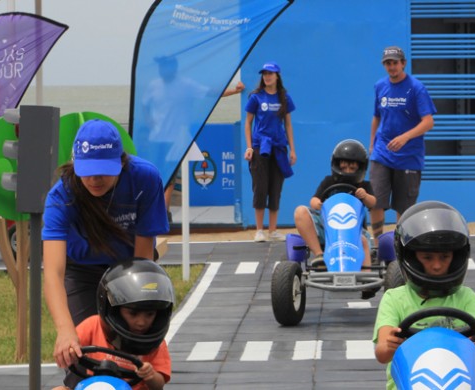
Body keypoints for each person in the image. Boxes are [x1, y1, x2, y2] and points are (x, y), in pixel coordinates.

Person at [43, 119, 170, 370]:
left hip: (130, 268)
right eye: (87, 170)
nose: (94, 178)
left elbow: (143, 257)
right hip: (82, 269)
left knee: (133, 348)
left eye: (103, 170)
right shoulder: (61, 196)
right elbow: (54, 273)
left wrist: (139, 302)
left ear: (121, 162)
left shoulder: (144, 179)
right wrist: (65, 330)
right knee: (82, 352)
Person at [374, 201, 475, 389]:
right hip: (413, 383)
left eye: (445, 257)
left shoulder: (465, 297)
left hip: (459, 380)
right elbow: (382, 353)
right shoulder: (394, 299)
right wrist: (390, 344)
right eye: (428, 258)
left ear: (456, 257)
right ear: (410, 258)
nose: (437, 266)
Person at [141, 54, 245, 222]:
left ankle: (163, 214)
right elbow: (145, 104)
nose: (162, 70)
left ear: (173, 67)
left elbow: (210, 92)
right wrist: (148, 121)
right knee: (155, 177)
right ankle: (155, 212)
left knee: (169, 178)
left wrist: (234, 90)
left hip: (175, 139)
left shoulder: (185, 84)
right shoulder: (154, 85)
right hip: (156, 139)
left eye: (165, 66)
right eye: (160, 67)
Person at [53, 259, 174, 390]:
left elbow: (159, 385)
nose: (141, 322)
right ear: (115, 311)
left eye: (149, 314)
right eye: (133, 314)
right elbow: (71, 348)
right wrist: (70, 353)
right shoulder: (93, 325)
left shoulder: (156, 344)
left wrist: (150, 375)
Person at [369, 46, 436, 240]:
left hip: (408, 157)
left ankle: (400, 243)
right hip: (382, 153)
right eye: (388, 63)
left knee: (404, 206)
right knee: (375, 201)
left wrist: (405, 137)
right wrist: (372, 143)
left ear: (403, 63)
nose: (392, 67)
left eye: (395, 63)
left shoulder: (416, 88)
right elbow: (376, 117)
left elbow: (428, 122)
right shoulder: (380, 86)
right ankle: (378, 242)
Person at [294, 139, 376, 267]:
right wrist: (319, 204)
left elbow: (373, 203)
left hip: (355, 232)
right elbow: (314, 200)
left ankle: (367, 276)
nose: (347, 171)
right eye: (344, 167)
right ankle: (319, 255)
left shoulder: (364, 185)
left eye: (352, 168)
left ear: (360, 168)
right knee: (300, 212)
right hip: (329, 229)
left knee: (363, 241)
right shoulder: (329, 181)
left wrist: (365, 196)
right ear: (337, 165)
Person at [244, 61, 297, 242]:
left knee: (276, 188)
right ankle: (259, 230)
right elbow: (248, 123)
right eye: (264, 73)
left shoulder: (284, 97)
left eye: (270, 73)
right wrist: (250, 147)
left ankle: (273, 230)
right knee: (260, 187)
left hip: (279, 148)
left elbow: (288, 124)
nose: (267, 76)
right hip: (260, 148)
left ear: (277, 76)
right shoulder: (256, 97)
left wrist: (292, 149)